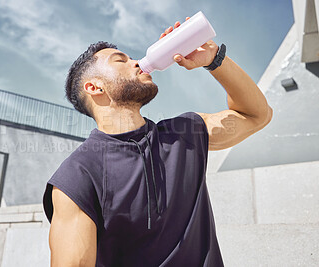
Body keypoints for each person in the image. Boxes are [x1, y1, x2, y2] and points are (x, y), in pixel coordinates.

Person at [43, 17, 273, 266]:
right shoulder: (77, 175)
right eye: (121, 60)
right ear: (94, 87)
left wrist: (214, 59)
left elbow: (257, 115)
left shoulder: (184, 134)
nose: (136, 62)